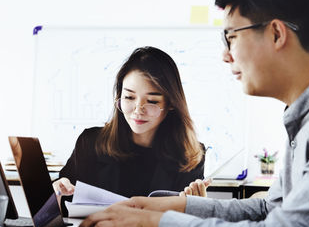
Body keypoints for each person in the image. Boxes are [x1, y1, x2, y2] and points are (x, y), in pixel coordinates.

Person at [72, 0, 309, 227]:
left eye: (231, 37)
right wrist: (174, 206)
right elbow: (269, 209)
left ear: (276, 34)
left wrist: (155, 224)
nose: (226, 56)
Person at [52, 46, 205, 207]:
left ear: (171, 103)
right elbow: (62, 204)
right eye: (129, 97)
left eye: (152, 101)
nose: (138, 110)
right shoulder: (90, 142)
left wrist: (199, 209)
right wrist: (57, 191)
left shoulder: (190, 155)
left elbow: (186, 223)